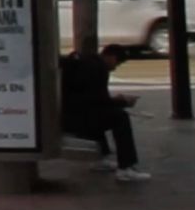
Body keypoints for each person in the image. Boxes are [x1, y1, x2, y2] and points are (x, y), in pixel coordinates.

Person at [62, 44, 149, 182]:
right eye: (117, 63)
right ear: (110, 57)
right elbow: (98, 100)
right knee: (120, 118)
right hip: (76, 120)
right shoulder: (98, 69)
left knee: (102, 114)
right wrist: (123, 102)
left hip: (69, 115)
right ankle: (125, 167)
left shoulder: (86, 62)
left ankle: (100, 158)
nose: (115, 67)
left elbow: (91, 98)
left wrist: (114, 100)